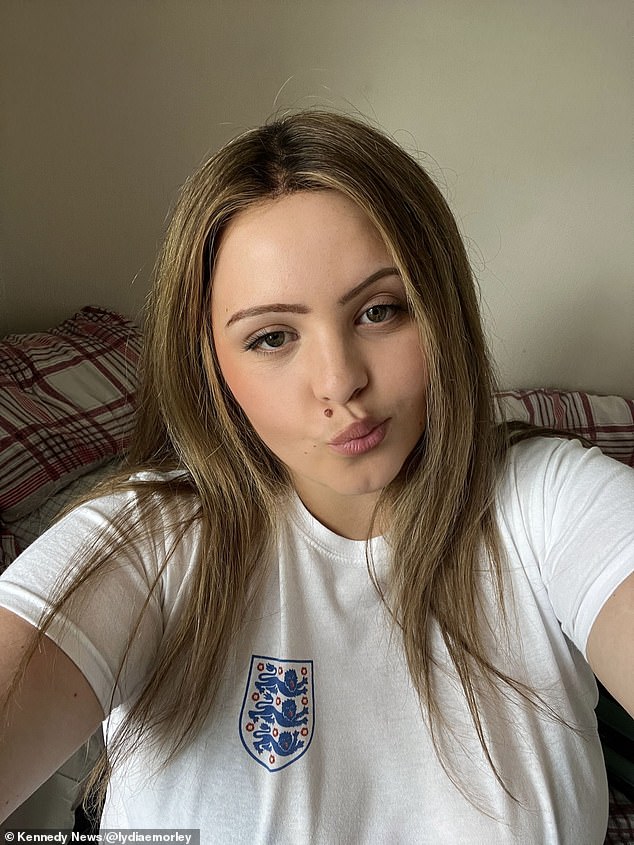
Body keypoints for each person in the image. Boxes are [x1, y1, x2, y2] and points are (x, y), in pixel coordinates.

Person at [0, 110, 632, 843]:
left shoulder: (549, 502)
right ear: (212, 366)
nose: (340, 381)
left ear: (442, 311)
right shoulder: (150, 541)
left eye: (380, 310)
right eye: (272, 336)